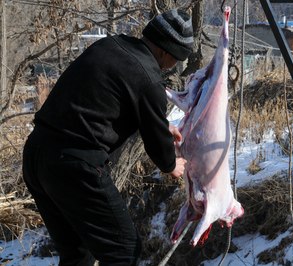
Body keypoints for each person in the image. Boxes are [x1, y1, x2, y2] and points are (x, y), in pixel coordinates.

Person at [22, 9, 193, 266]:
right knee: (124, 249)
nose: (175, 66)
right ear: (167, 51)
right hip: (76, 165)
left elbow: (102, 101)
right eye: (177, 59)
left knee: (77, 254)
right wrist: (171, 164)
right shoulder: (149, 78)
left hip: (37, 154)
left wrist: (160, 124)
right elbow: (158, 149)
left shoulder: (110, 46)